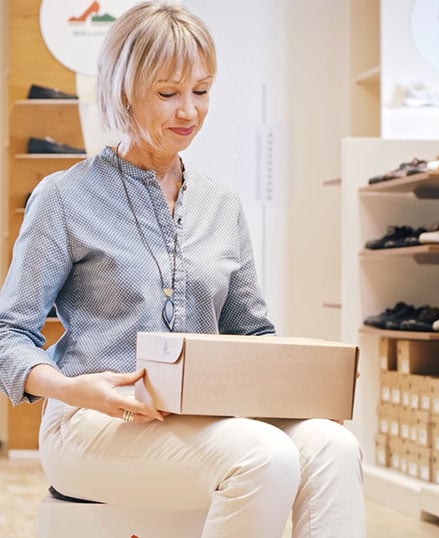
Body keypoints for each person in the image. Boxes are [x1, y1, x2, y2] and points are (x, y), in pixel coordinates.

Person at [0, 3, 365, 537]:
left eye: (202, 90)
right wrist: (79, 390)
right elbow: (9, 334)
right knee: (264, 456)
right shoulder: (64, 197)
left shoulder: (222, 206)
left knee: (334, 446)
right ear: (124, 93)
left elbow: (252, 333)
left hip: (206, 422)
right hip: (90, 425)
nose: (189, 111)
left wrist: (301, 394)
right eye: (168, 93)